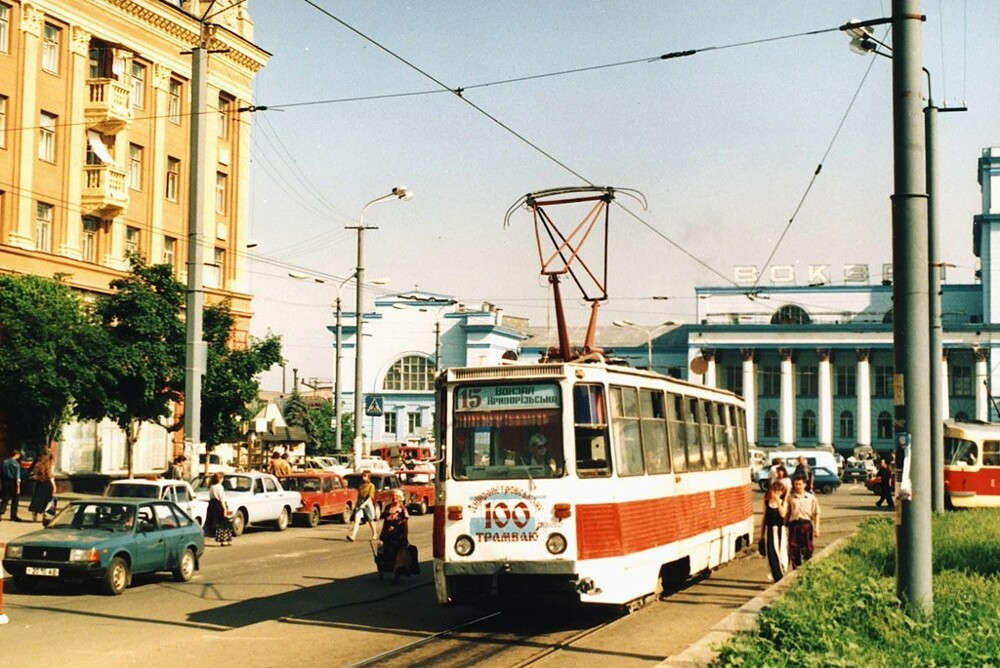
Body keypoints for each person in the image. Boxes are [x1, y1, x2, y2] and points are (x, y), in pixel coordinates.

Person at [786, 474, 820, 569]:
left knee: (808, 549)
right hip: (794, 525)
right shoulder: (790, 498)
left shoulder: (811, 498)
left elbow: (816, 513)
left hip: (806, 525)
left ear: (805, 485)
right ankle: (796, 571)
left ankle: (807, 568)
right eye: (796, 484)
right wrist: (785, 526)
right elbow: (787, 513)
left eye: (799, 484)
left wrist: (817, 528)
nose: (797, 486)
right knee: (794, 549)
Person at [379, 488, 410, 584]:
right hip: (387, 536)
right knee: (388, 555)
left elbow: (405, 524)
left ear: (400, 498)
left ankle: (395, 576)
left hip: (398, 536)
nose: (394, 498)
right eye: (393, 496)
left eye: (396, 496)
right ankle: (390, 570)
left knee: (397, 555)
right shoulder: (388, 508)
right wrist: (381, 534)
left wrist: (405, 536)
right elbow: (385, 522)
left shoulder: (402, 510)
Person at [760, 479, 789, 582]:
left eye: (779, 492)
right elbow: (764, 519)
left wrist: (778, 501)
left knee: (780, 551)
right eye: (774, 491)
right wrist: (761, 535)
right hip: (770, 531)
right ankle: (777, 576)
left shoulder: (783, 503)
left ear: (781, 492)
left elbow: (783, 514)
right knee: (771, 554)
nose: (776, 493)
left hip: (779, 531)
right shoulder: (766, 502)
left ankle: (781, 571)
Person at [347, 471, 378, 542]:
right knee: (357, 520)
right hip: (360, 502)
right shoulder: (360, 485)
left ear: (368, 477)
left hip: (367, 503)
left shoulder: (371, 486)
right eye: (363, 476)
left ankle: (374, 534)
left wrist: (364, 504)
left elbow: (370, 497)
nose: (363, 477)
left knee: (370, 519)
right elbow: (359, 496)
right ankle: (353, 536)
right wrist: (356, 505)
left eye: (365, 476)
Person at [204, 472, 233, 546]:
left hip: (212, 504)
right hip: (219, 505)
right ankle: (224, 540)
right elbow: (222, 499)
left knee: (214, 522)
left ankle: (211, 535)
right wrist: (225, 509)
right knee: (223, 522)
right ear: (220, 479)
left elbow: (211, 496)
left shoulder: (212, 487)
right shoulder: (220, 487)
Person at [28, 450, 56, 522]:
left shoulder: (37, 465)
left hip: (39, 484)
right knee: (47, 500)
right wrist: (54, 486)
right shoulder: (50, 465)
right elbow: (51, 477)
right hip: (48, 484)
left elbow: (32, 475)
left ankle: (34, 515)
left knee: (37, 499)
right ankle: (45, 516)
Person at [0, 447, 23, 522]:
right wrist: (18, 486)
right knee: (15, 499)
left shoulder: (4, 462)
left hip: (5, 481)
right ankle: (13, 515)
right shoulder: (16, 464)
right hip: (13, 482)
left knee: (5, 498)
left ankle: (1, 511)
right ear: (16, 455)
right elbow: (17, 476)